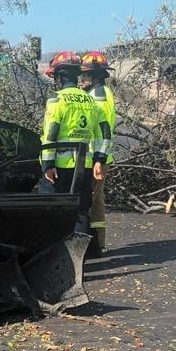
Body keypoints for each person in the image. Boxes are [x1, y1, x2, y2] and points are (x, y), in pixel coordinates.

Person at [41, 51, 111, 237]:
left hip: (60, 168)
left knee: (48, 209)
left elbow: (50, 135)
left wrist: (48, 165)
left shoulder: (57, 100)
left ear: (60, 77)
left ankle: (54, 254)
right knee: (81, 211)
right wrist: (99, 159)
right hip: (85, 167)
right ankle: (78, 255)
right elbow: (104, 134)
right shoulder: (92, 101)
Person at [80, 51, 115, 256]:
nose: (81, 79)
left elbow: (103, 131)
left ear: (96, 76)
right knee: (94, 199)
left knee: (94, 202)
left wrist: (98, 160)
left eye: (85, 75)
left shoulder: (99, 97)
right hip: (95, 157)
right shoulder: (96, 93)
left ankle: (95, 245)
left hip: (96, 158)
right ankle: (94, 244)